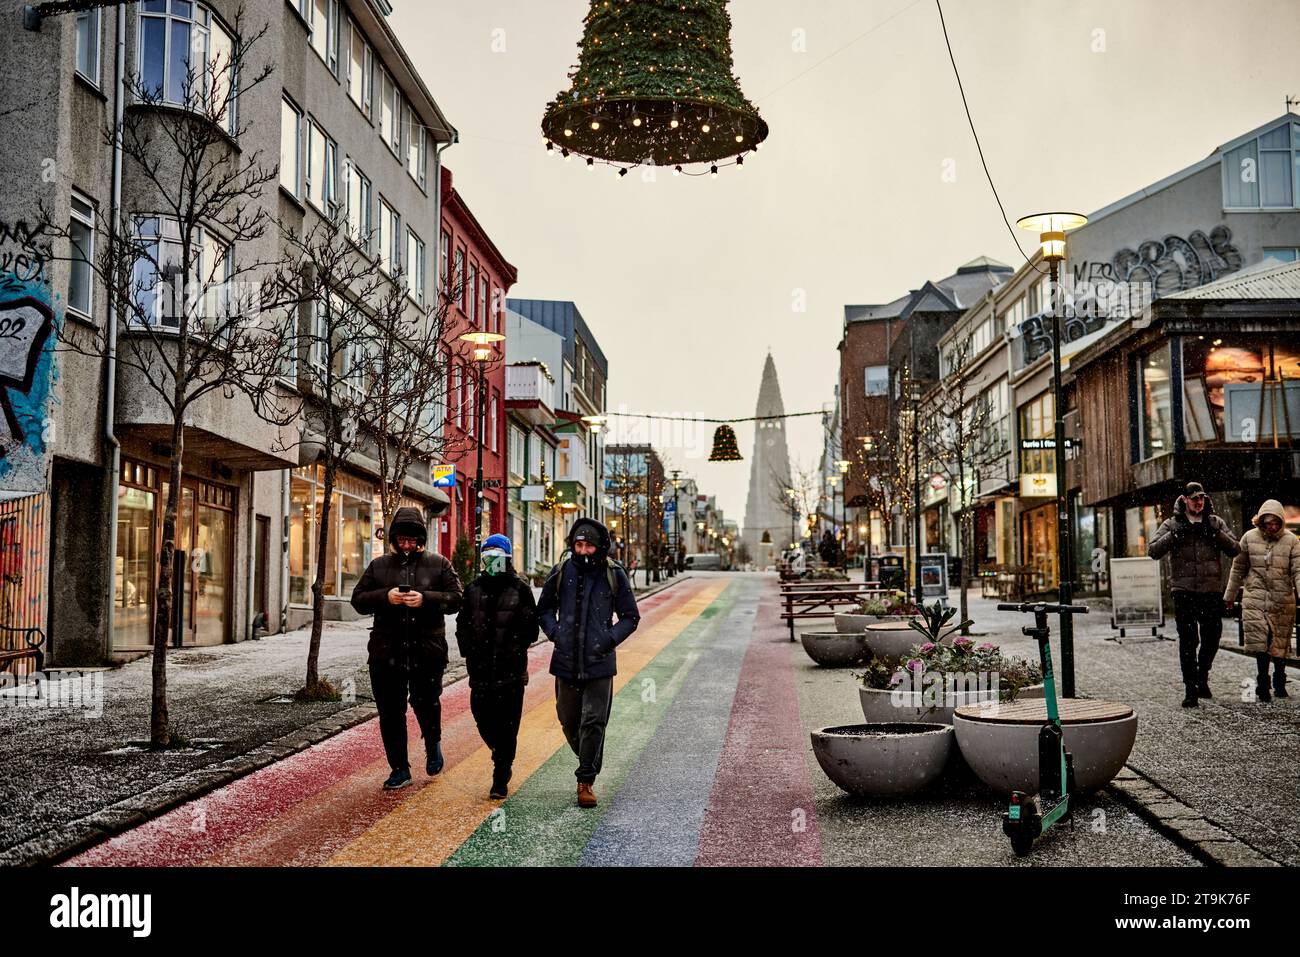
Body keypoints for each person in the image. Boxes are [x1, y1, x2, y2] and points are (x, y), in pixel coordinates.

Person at [351, 507, 462, 790]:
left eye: (412, 540)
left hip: (427, 650)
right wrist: (385, 597)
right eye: (401, 540)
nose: (407, 545)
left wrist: (425, 598)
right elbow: (359, 600)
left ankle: (433, 743)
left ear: (421, 539)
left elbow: (457, 599)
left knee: (426, 702)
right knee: (390, 711)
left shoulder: (439, 564)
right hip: (387, 652)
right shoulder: (379, 566)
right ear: (393, 538)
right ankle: (399, 768)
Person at [537, 517, 640, 808]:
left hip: (600, 662)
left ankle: (585, 781)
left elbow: (631, 617)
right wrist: (556, 633)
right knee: (569, 720)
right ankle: (590, 756)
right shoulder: (561, 572)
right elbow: (543, 610)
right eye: (578, 545)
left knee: (593, 721)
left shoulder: (614, 574)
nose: (583, 551)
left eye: (589, 546)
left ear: (600, 548)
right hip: (566, 661)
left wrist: (607, 639)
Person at [455, 534, 537, 799]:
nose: (492, 562)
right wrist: (469, 650)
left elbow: (531, 629)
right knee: (482, 718)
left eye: (497, 557)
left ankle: (501, 773)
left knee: (508, 724)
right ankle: (499, 752)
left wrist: (515, 646)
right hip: (479, 670)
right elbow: (462, 623)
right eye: (487, 557)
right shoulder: (473, 589)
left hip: (511, 672)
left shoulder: (520, 589)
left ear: (507, 558)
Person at [1147, 481, 1240, 707]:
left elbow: (1235, 548)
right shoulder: (1172, 523)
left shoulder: (1215, 522)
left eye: (1201, 498)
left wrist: (1215, 534)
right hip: (1184, 592)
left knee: (1212, 637)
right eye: (1194, 498)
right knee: (1188, 641)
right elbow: (1153, 550)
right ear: (1185, 500)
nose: (1198, 502)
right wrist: (1176, 534)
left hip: (1210, 591)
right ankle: (1191, 689)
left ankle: (1203, 675)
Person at [1224, 499, 1300, 703]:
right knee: (1260, 640)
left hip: (1282, 598)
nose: (1273, 527)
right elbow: (1238, 568)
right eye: (1268, 523)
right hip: (1255, 596)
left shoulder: (1291, 541)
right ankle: (1263, 682)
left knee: (1280, 641)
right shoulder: (1248, 538)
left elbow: (1298, 570)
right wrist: (1230, 595)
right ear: (1261, 522)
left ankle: (1280, 680)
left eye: (1276, 523)